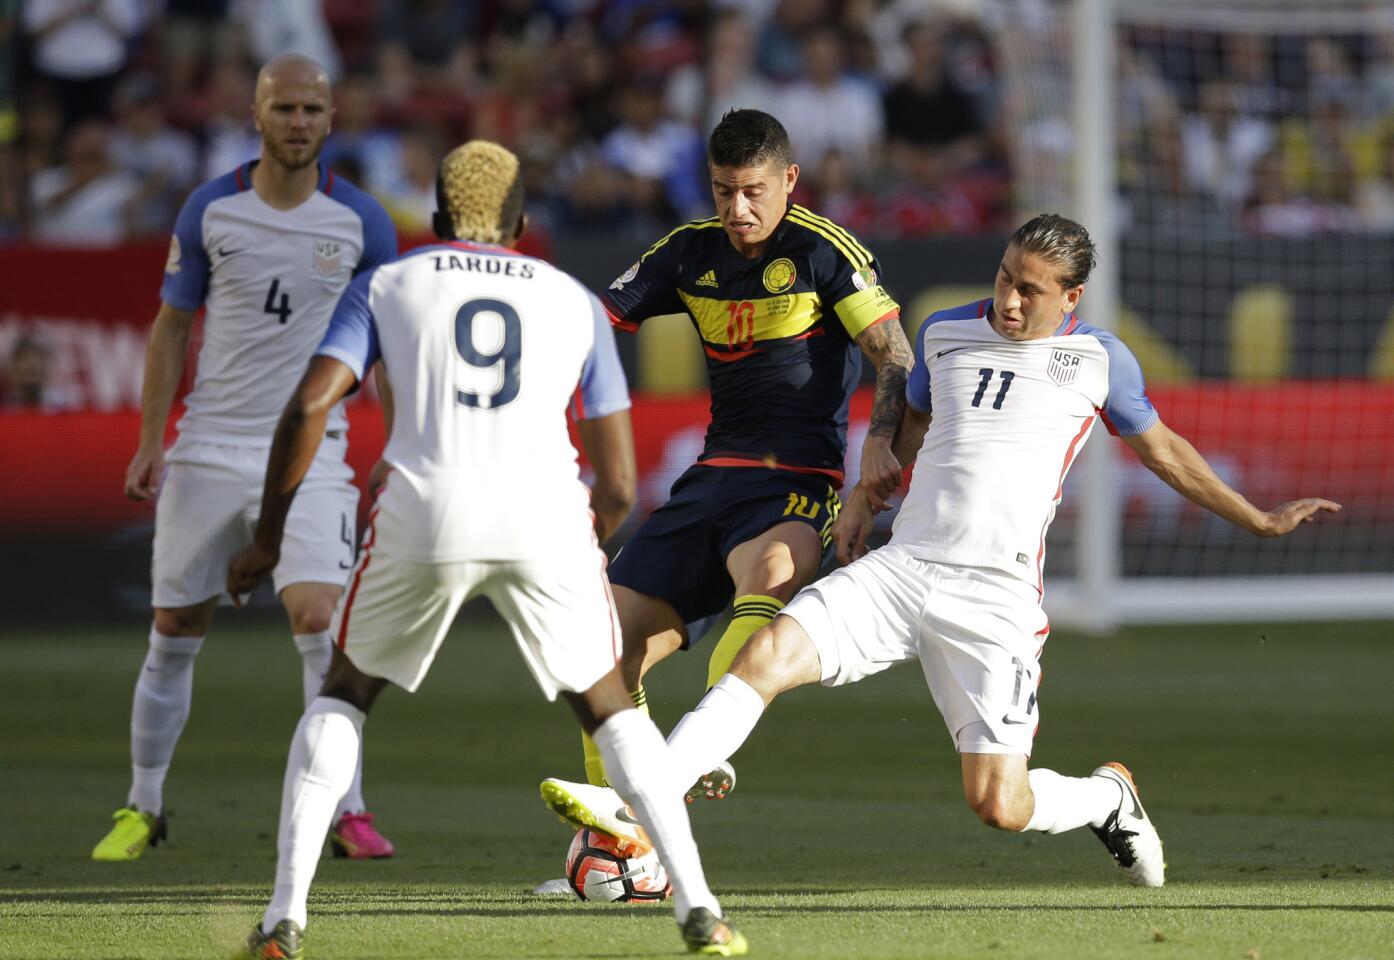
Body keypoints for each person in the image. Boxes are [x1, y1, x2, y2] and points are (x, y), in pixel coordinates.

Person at [549, 213, 1341, 888]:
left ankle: (1106, 799)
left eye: (1029, 289)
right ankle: (643, 808)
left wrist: (1259, 521)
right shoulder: (947, 332)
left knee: (1001, 805)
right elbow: (910, 427)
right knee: (765, 656)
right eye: (1003, 276)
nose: (1006, 298)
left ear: (1071, 297)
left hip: (994, 597)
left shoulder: (1101, 358)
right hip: (903, 567)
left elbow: (1164, 450)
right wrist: (866, 489)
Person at [225, 140, 747, 960]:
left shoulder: (389, 283)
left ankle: (284, 918)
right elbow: (616, 479)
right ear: (523, 224)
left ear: (435, 221)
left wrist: (266, 537)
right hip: (543, 509)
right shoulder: (572, 300)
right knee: (608, 703)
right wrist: (582, 545)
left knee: (346, 691)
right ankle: (701, 910)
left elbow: (309, 406)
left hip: (423, 502)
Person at [92, 55, 399, 864]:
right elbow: (170, 326)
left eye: (312, 109)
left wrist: (397, 445)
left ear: (332, 120)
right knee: (174, 628)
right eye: (284, 107)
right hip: (210, 448)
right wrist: (151, 440)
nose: (298, 121)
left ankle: (347, 811)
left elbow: (390, 348)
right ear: (257, 116)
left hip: (315, 450)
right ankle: (143, 805)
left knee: (319, 622)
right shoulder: (211, 209)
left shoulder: (363, 222)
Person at [563, 107, 912, 802]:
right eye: (724, 190)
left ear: (789, 179)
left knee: (771, 578)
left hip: (797, 484)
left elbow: (895, 355)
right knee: (596, 650)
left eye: (753, 190)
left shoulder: (824, 251)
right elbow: (588, 326)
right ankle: (625, 827)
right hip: (711, 480)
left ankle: (701, 745)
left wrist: (877, 439)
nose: (738, 207)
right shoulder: (689, 252)